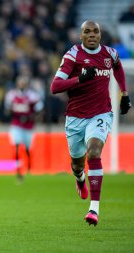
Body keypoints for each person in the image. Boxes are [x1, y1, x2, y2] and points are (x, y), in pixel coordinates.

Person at [50, 20, 131, 226]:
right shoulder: (72, 55)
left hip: (101, 114)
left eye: (96, 31)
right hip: (76, 118)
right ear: (81, 36)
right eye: (87, 32)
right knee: (77, 163)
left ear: (100, 35)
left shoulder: (110, 54)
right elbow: (55, 86)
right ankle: (79, 178)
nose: (92, 34)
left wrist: (124, 93)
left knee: (94, 151)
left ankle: (94, 209)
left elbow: (118, 68)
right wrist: (80, 79)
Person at [4, 76, 43, 183]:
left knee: (27, 149)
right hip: (16, 124)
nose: (21, 84)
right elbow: (7, 109)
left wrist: (31, 117)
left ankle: (29, 167)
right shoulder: (11, 95)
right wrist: (12, 112)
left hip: (28, 126)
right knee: (16, 146)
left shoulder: (32, 95)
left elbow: (39, 109)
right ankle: (18, 171)